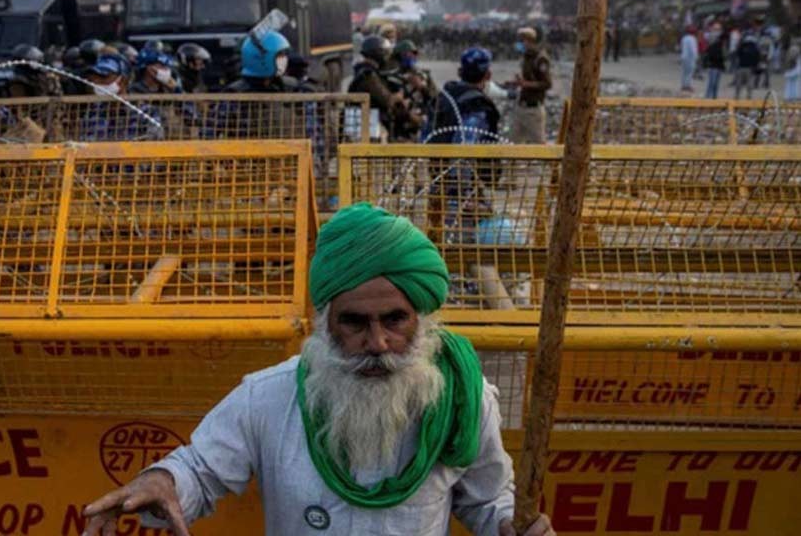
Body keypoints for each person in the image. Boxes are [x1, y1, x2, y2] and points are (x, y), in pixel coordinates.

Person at [82, 203, 556, 536]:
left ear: (422, 319)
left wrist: (511, 522)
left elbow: (488, 500)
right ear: (325, 324)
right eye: (354, 323)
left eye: (395, 320)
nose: (377, 344)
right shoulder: (269, 396)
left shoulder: (463, 400)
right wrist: (161, 481)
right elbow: (201, 468)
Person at [349, 35, 422, 140]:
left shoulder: (369, 72)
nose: (387, 56)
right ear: (377, 53)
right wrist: (399, 97)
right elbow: (387, 99)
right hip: (366, 128)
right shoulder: (368, 75)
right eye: (385, 52)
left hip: (367, 125)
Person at [433, 47, 500, 143]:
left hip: (431, 154)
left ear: (460, 72)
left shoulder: (446, 94)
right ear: (488, 75)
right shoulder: (477, 105)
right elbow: (465, 144)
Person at [511, 27, 552, 144]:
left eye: (522, 40)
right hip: (521, 106)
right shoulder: (526, 57)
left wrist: (526, 84)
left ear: (530, 41)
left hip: (533, 109)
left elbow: (547, 83)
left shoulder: (541, 59)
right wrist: (518, 82)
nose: (521, 43)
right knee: (513, 145)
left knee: (539, 144)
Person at [734, 29, 760, 100]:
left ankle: (737, 96)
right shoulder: (755, 47)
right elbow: (757, 58)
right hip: (750, 68)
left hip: (742, 66)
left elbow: (737, 54)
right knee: (749, 83)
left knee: (739, 83)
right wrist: (755, 66)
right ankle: (748, 96)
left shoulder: (742, 46)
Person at [703, 24, 726, 99]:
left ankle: (714, 98)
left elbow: (722, 55)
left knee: (715, 84)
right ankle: (708, 98)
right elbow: (709, 53)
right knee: (712, 83)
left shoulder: (720, 43)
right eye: (716, 29)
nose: (717, 31)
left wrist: (722, 65)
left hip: (718, 65)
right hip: (713, 65)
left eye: (718, 29)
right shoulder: (711, 41)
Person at [679, 26, 699, 92]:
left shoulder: (684, 38)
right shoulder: (693, 39)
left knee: (684, 72)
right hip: (690, 58)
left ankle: (683, 85)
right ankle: (687, 85)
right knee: (690, 72)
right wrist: (696, 57)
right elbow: (693, 50)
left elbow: (681, 47)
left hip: (683, 56)